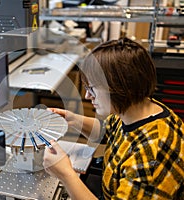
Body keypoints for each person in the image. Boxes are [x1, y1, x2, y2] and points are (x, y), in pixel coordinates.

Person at [43, 37, 184, 199]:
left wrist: (66, 175)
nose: (88, 96)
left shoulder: (151, 157)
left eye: (92, 88)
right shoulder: (137, 108)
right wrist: (72, 119)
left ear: (119, 87)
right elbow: (106, 131)